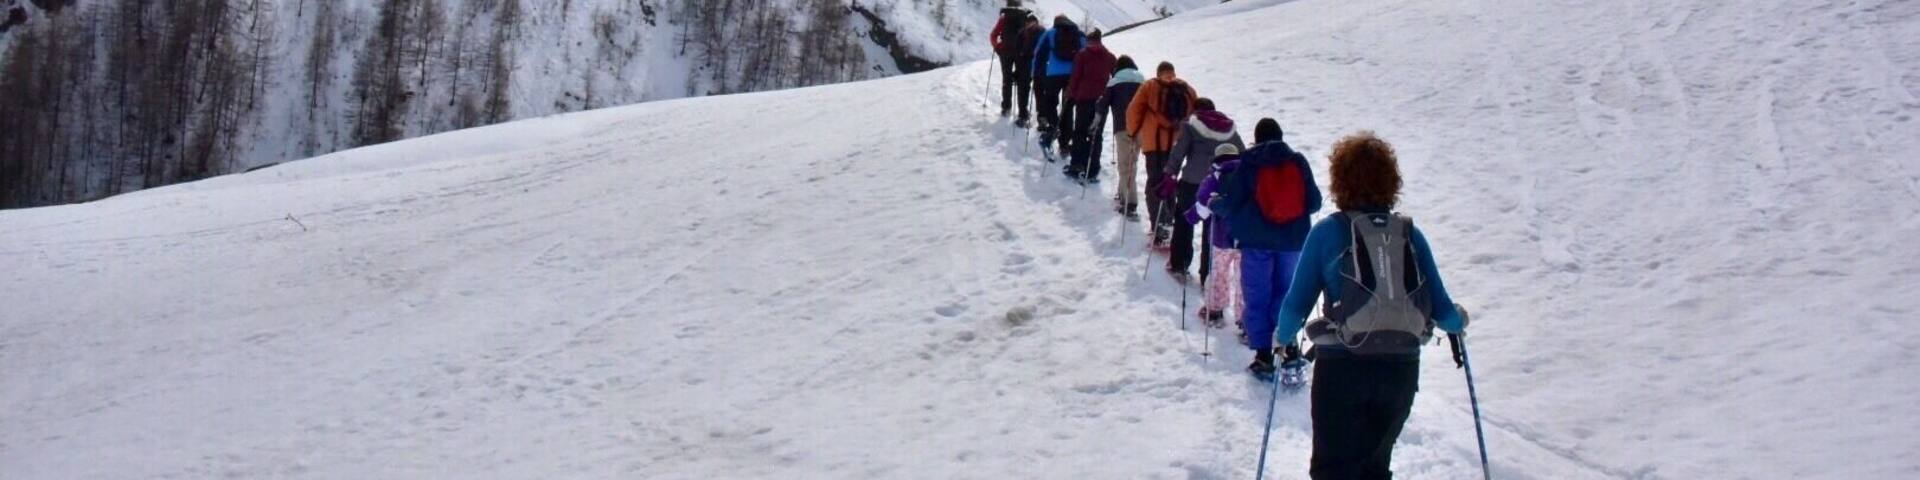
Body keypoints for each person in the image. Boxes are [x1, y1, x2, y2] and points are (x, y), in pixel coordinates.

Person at [1272, 131, 1467, 480]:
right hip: (1400, 369)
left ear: (1340, 180)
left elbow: (1295, 305)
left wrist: (1281, 338)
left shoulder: (1328, 232)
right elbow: (1444, 312)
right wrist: (1459, 321)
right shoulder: (1409, 234)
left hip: (1342, 367)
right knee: (1374, 469)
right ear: (1391, 181)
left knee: (1333, 470)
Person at [1211, 119, 1319, 365]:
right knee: (1287, 294)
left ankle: (1262, 354)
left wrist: (1214, 203)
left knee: (1258, 294)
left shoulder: (1249, 163)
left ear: (1256, 138)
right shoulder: (1298, 161)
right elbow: (1314, 202)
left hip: (1256, 243)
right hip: (1292, 242)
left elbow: (1232, 203)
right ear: (1281, 136)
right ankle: (1288, 346)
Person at [1157, 98, 1243, 282]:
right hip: (1219, 186)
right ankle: (1207, 275)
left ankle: (1179, 264)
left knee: (1184, 221)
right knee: (1212, 230)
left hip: (1192, 183)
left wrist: (1169, 174)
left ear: (1196, 110)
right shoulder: (1229, 130)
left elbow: (1178, 153)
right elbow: (1242, 155)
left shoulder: (1191, 126)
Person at [1125, 61, 1195, 248]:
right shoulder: (1187, 90)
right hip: (1176, 146)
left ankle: (1160, 227)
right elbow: (1194, 115)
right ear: (1173, 72)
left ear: (1158, 73)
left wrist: (1132, 133)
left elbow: (1134, 110)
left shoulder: (1150, 86)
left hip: (1153, 145)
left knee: (1155, 184)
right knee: (1169, 183)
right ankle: (1169, 222)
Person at [1186, 143, 1244, 328]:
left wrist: (1190, 218)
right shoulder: (1249, 174)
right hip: (1246, 238)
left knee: (1219, 273)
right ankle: (1244, 319)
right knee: (1244, 279)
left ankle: (1215, 310)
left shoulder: (1213, 178)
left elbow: (1203, 207)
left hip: (1221, 238)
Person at [1063, 29, 1115, 182]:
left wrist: (1070, 93)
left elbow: (1076, 76)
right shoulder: (1110, 57)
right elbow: (1115, 76)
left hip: (1084, 98)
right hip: (1101, 101)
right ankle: (1092, 169)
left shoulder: (1082, 55)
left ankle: (1077, 165)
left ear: (1088, 40)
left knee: (1080, 132)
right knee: (1096, 135)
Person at [1098, 56, 1145, 219]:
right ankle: (1122, 192)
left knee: (1125, 165)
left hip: (1122, 128)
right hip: (1141, 128)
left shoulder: (1114, 82)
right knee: (1131, 162)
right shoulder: (1143, 81)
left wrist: (1097, 118)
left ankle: (1130, 203)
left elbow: (1103, 104)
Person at [1031, 15, 1083, 158]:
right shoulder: (1078, 34)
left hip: (1053, 74)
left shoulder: (1050, 33)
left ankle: (1054, 127)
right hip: (1072, 76)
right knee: (1068, 108)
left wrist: (1036, 74)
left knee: (1050, 103)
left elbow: (1038, 54)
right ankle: (1064, 144)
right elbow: (1085, 53)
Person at [989, 1, 1033, 120]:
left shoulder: (1004, 17)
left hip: (1005, 52)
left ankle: (1006, 108)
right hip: (1021, 53)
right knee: (1022, 81)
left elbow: (993, 35)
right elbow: (1030, 36)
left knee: (1007, 79)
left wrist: (998, 47)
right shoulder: (1025, 17)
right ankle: (1022, 111)